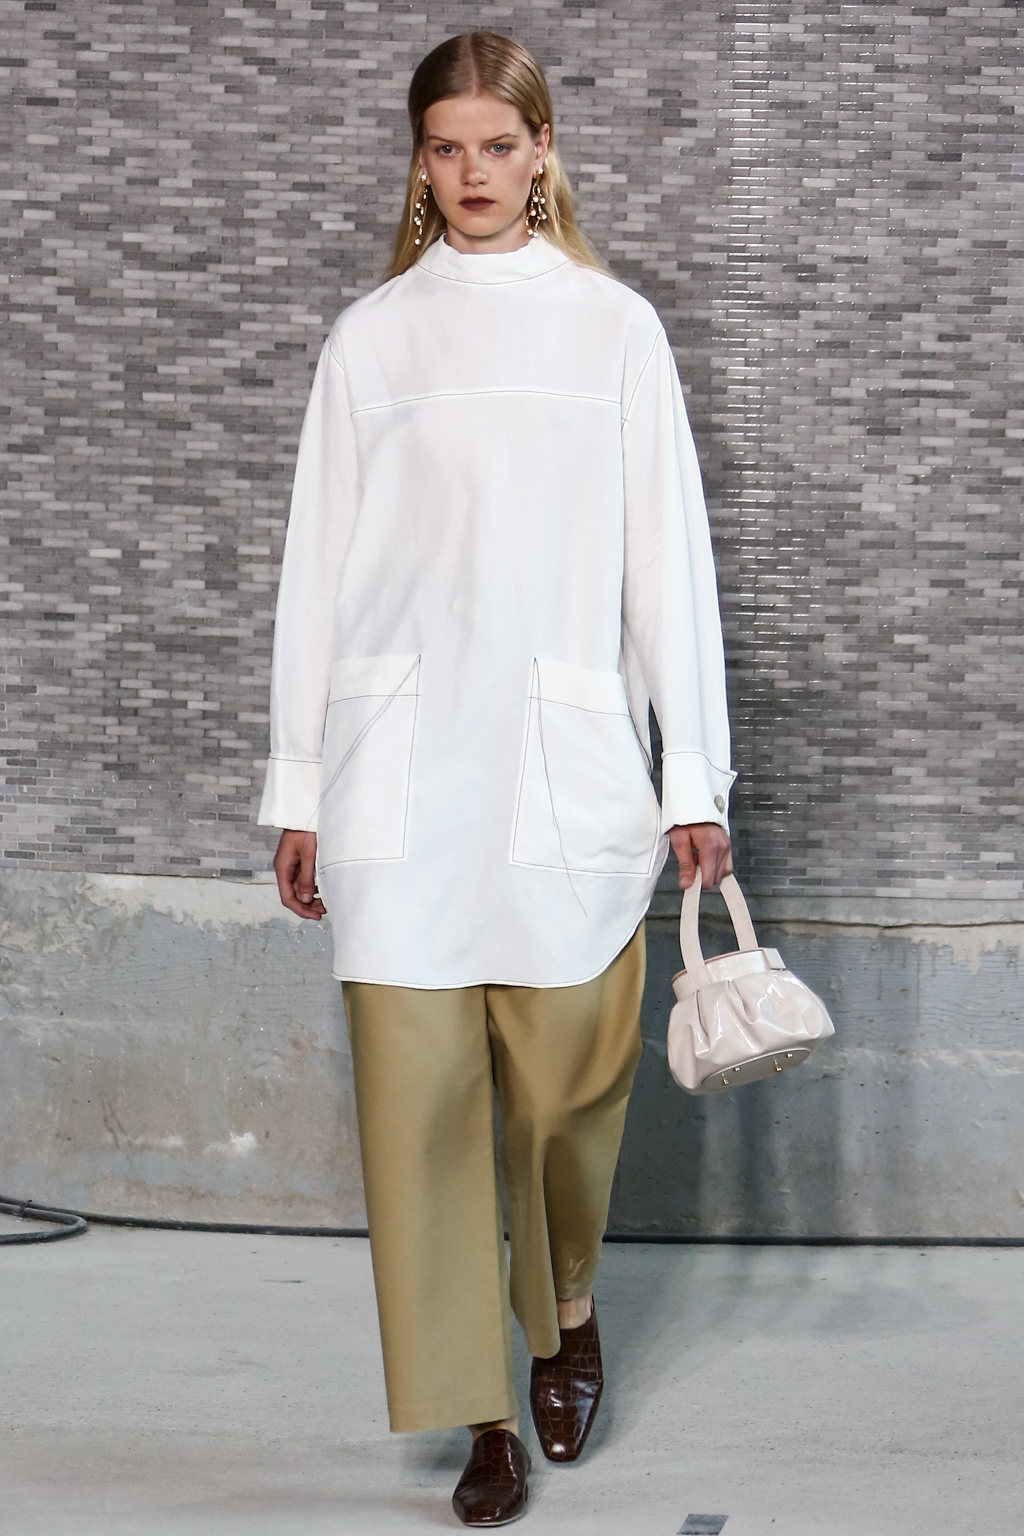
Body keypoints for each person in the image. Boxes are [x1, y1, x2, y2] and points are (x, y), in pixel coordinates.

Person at [259, 31, 734, 1528]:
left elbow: (668, 566)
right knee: (420, 1118)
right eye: (445, 147)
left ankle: (565, 1306)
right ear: (420, 161)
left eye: (497, 145)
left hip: (563, 758)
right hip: (398, 777)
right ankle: (481, 1414)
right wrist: (299, 786)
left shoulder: (615, 333)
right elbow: (316, 575)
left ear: (543, 151)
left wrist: (692, 776)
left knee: (562, 1098)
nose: (472, 173)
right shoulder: (372, 341)